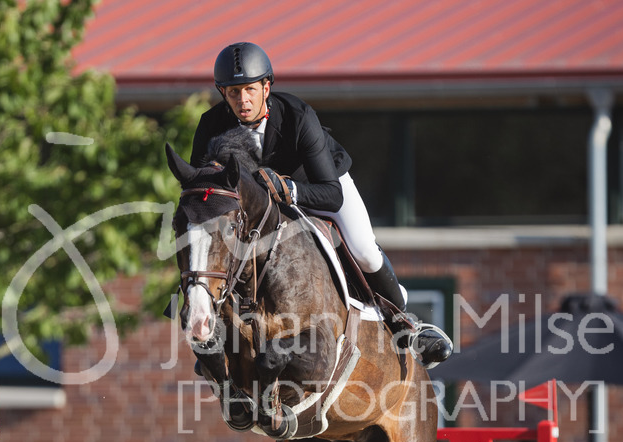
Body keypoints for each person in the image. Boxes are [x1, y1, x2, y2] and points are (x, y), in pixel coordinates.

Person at [189, 42, 453, 368]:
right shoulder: (211, 127)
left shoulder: (298, 116)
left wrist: (291, 190)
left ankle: (407, 327)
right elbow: (204, 192)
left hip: (316, 185)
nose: (242, 100)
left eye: (250, 90)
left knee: (365, 250)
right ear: (222, 93)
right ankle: (213, 334)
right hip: (256, 208)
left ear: (266, 87)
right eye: (233, 93)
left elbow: (332, 193)